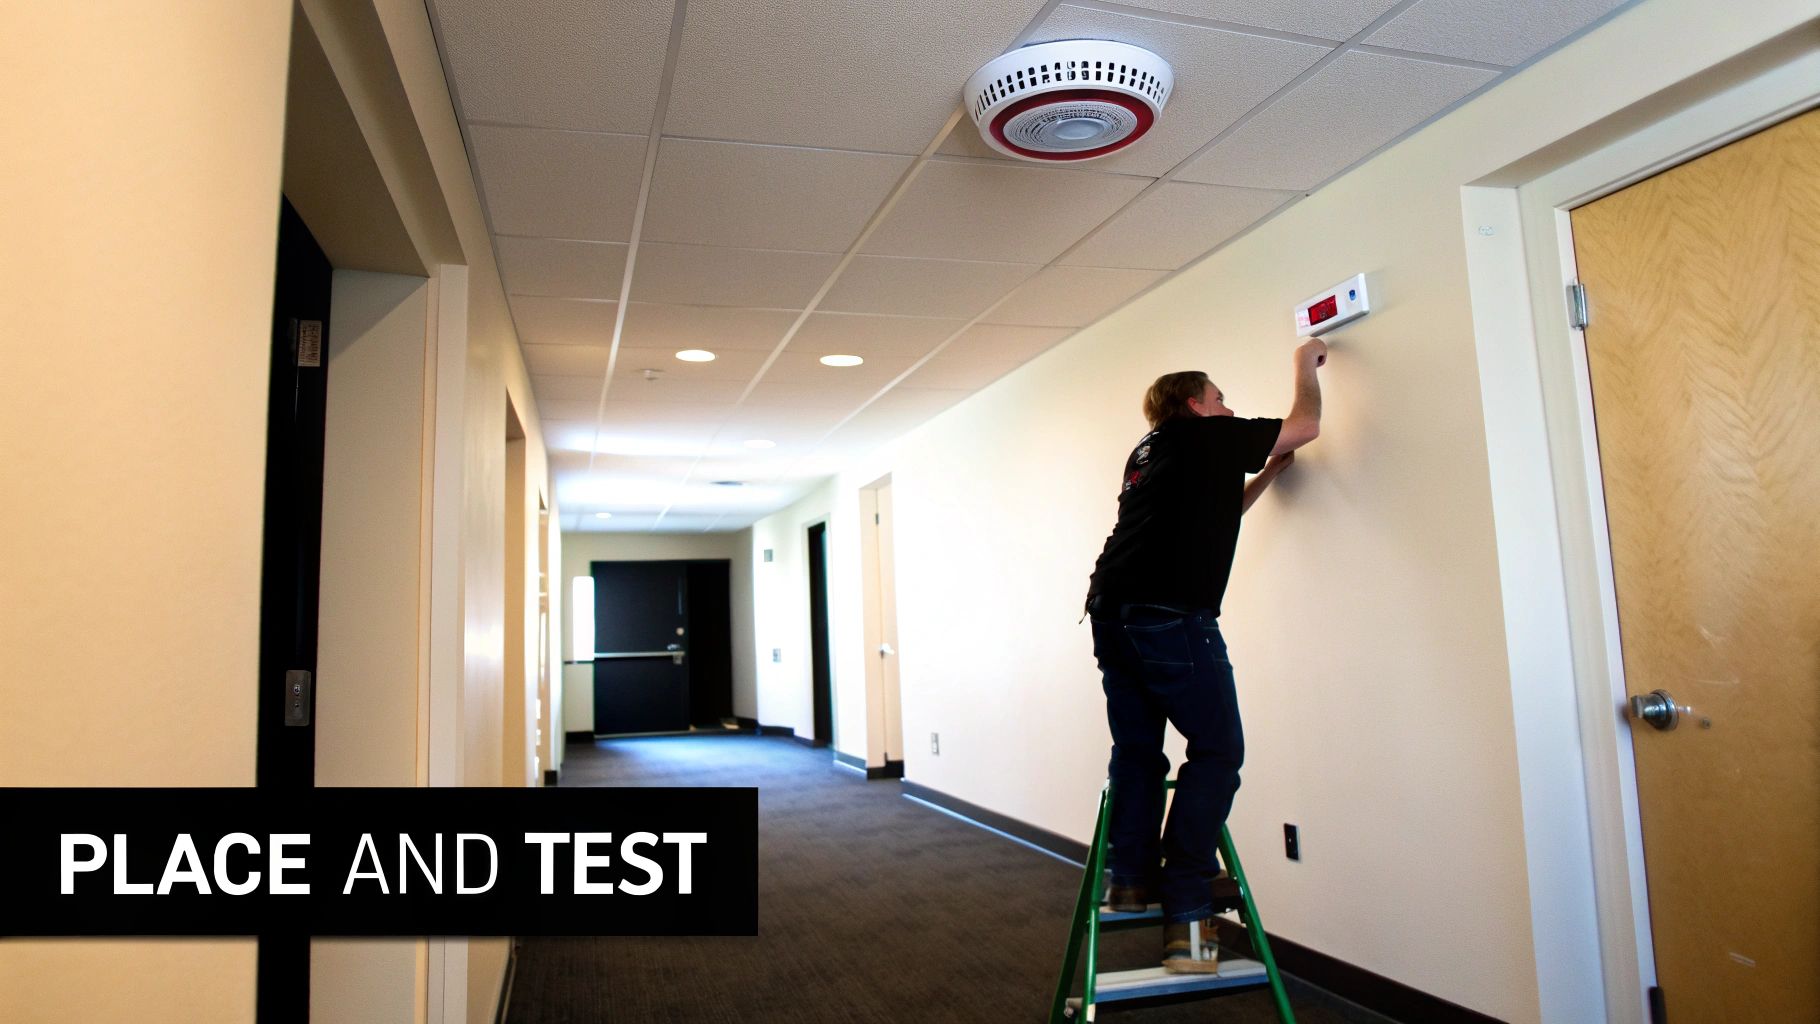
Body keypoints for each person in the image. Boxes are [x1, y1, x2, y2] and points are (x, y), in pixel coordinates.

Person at [1084, 337, 1327, 973]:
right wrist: (1304, 363)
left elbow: (1215, 516)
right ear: (1194, 403)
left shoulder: (1150, 452)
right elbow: (1305, 425)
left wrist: (1269, 474)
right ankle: (1187, 907)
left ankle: (1129, 880)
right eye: (1220, 399)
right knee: (1217, 752)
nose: (1228, 408)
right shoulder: (1206, 435)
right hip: (1169, 613)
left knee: (1137, 751)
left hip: (1111, 611)